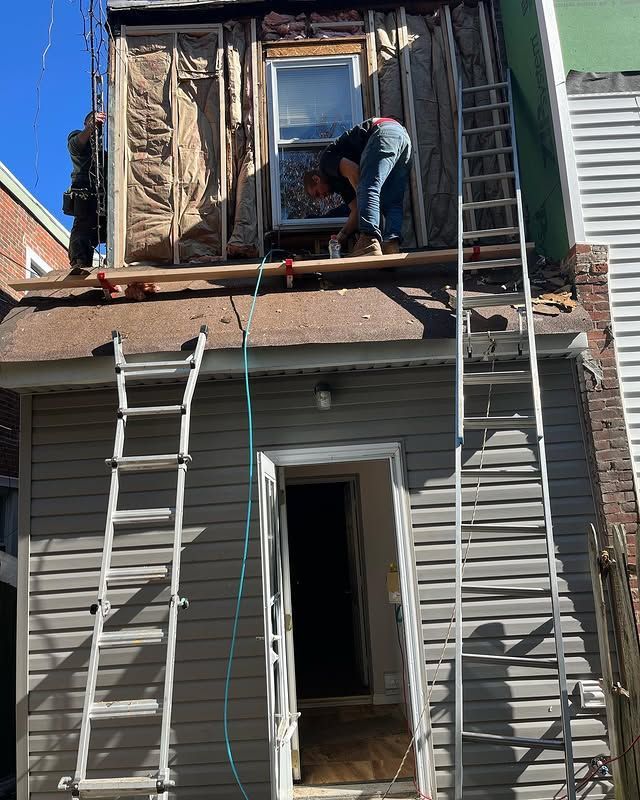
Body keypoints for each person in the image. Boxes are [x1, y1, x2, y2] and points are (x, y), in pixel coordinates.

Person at [303, 117, 412, 258]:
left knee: (368, 186)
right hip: (403, 139)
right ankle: (391, 245)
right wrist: (342, 235)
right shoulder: (341, 185)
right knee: (392, 201)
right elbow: (356, 210)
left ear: (316, 179)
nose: (322, 197)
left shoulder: (326, 163)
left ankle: (369, 240)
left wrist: (365, 201)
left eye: (317, 193)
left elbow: (355, 171)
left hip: (383, 133)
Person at [65, 111, 107, 275]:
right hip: (87, 198)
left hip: (107, 201)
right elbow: (76, 145)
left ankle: (112, 262)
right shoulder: (80, 142)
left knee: (115, 230)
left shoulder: (106, 156)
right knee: (82, 234)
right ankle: (80, 262)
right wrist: (90, 127)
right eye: (93, 120)